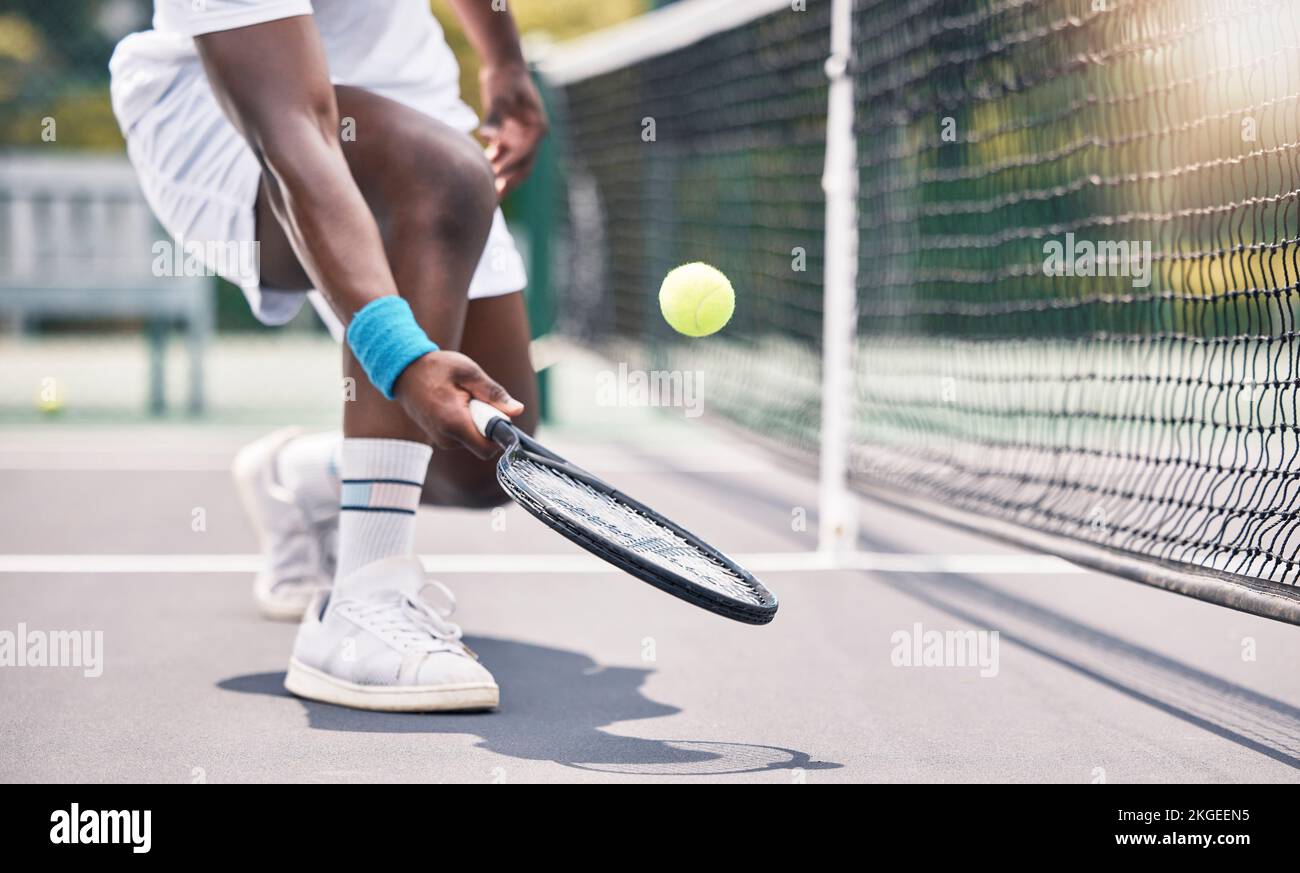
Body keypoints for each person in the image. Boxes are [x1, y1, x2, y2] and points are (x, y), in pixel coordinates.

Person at [109, 0, 549, 712]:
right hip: (227, 122)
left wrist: (503, 60)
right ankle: (361, 607)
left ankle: (301, 477)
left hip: (416, 102)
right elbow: (295, 133)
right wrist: (404, 359)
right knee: (440, 174)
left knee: (488, 466)